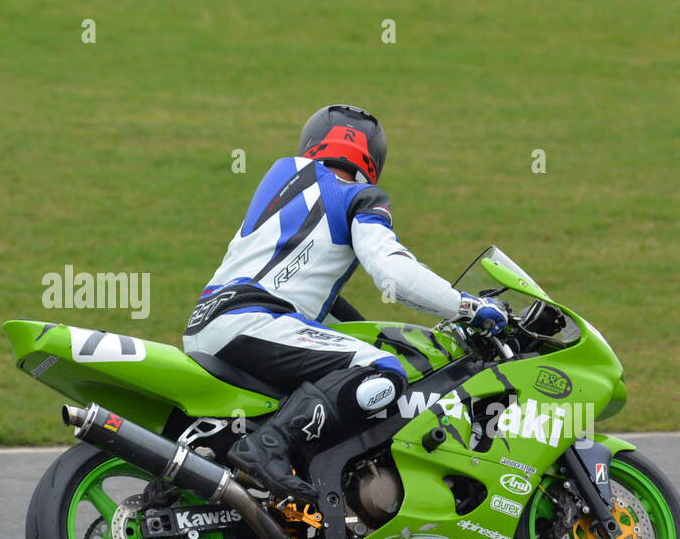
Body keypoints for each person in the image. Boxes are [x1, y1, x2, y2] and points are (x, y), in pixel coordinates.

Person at [182, 104, 506, 504]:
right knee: (382, 370)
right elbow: (395, 273)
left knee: (350, 367)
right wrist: (468, 307)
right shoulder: (359, 197)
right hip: (254, 320)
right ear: (374, 160)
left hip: (209, 323)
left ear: (312, 142)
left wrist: (376, 330)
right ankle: (269, 448)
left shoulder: (283, 180)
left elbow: (312, 291)